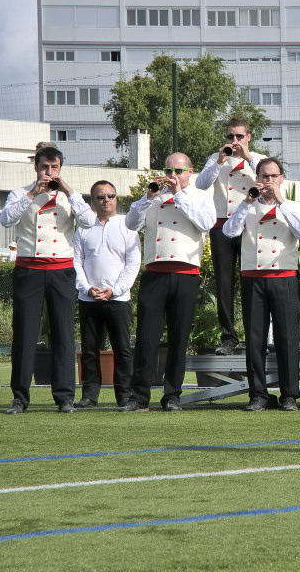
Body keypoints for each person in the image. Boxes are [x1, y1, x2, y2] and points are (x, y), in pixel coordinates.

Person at [0, 145, 96, 414]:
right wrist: (33, 193)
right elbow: (6, 220)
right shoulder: (20, 193)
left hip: (61, 271)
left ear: (60, 169)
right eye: (44, 167)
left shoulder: (69, 197)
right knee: (25, 333)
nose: (49, 172)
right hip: (28, 269)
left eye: (54, 168)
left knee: (63, 333)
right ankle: (20, 397)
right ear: (36, 168)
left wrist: (69, 190)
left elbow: (89, 221)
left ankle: (64, 397)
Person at [124, 153, 216, 411]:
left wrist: (180, 196)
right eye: (168, 171)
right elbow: (131, 224)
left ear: (190, 171)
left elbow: (205, 223)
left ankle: (172, 395)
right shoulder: (154, 197)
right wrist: (147, 197)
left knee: (179, 338)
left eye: (178, 171)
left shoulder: (200, 197)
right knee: (146, 337)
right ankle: (139, 397)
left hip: (186, 274)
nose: (172, 176)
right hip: (154, 272)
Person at [223, 158, 300, 412]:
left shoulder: (292, 205)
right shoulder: (246, 205)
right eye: (264, 176)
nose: (268, 181)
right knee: (254, 339)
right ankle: (258, 394)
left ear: (281, 178)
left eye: (273, 176)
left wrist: (281, 201)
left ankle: (289, 395)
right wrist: (246, 202)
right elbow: (229, 232)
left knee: (287, 338)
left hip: (284, 277)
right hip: (253, 277)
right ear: (256, 179)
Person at [194, 118, 266, 356]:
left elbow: (267, 180)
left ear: (248, 137)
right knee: (225, 283)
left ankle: (254, 335)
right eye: (230, 137)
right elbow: (201, 184)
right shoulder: (216, 158)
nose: (234, 141)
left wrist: (248, 157)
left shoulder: (258, 158)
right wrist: (219, 161)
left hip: (250, 225)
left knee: (251, 281)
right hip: (221, 225)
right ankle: (228, 337)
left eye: (239, 136)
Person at [73, 180, 141, 409]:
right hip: (89, 298)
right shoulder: (83, 227)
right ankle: (90, 396)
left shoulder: (127, 226)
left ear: (116, 199)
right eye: (100, 197)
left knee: (122, 349)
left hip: (118, 299)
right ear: (92, 201)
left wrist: (115, 290)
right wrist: (86, 288)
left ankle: (124, 396)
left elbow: (133, 263)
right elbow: (76, 262)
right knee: (89, 350)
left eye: (110, 196)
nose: (106, 200)